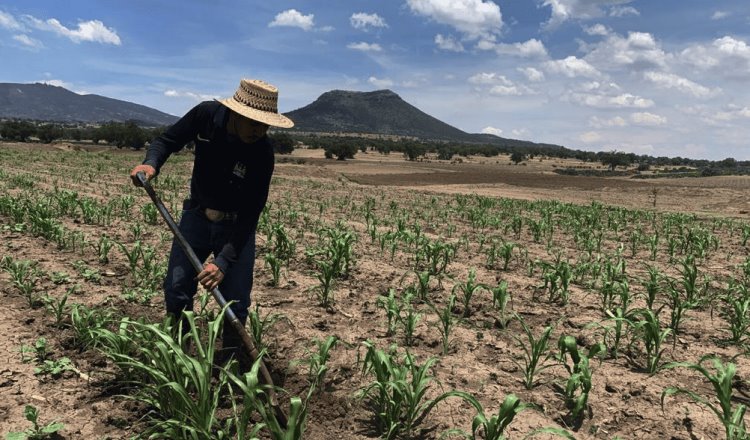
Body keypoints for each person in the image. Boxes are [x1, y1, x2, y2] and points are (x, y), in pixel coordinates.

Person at [129, 78, 294, 365]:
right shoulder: (206, 116)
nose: (260, 130)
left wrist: (223, 262)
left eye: (265, 125)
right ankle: (179, 357)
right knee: (177, 288)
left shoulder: (262, 152)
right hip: (196, 217)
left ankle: (230, 365)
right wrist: (150, 163)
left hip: (235, 226)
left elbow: (252, 211)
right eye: (255, 123)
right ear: (238, 113)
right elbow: (167, 140)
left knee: (236, 300)